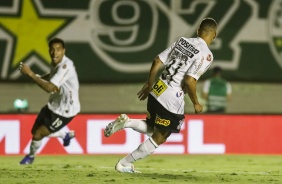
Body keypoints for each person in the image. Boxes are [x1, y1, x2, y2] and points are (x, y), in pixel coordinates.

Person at [104, 18, 218, 173]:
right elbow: (190, 80)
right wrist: (196, 103)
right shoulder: (206, 55)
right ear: (214, 35)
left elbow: (157, 61)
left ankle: (127, 123)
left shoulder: (183, 41)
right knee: (161, 137)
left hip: (158, 88)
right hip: (172, 97)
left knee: (152, 127)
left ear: (198, 30)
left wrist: (149, 84)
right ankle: (123, 163)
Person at [18, 38, 81, 164]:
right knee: (34, 132)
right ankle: (65, 135)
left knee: (38, 134)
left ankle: (30, 157)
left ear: (64, 51)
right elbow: (52, 74)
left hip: (66, 110)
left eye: (58, 49)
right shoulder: (55, 63)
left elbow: (49, 88)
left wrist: (31, 74)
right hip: (53, 105)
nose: (54, 52)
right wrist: (39, 78)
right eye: (52, 50)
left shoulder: (65, 66)